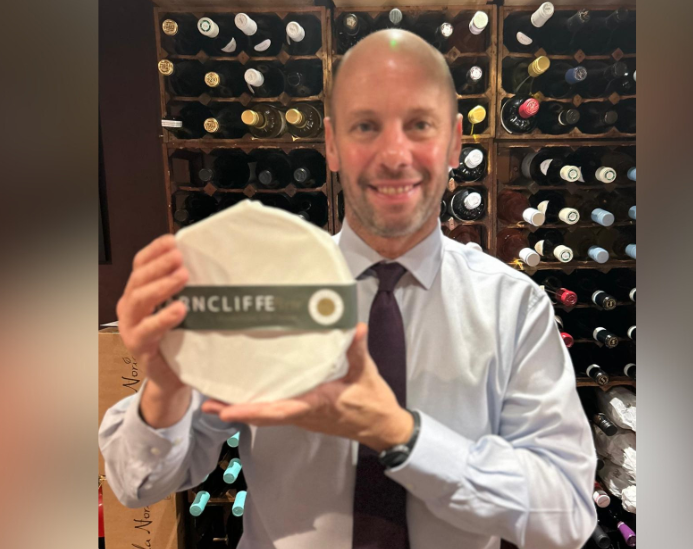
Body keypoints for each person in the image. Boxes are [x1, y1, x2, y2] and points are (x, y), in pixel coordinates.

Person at [99, 29, 597, 549]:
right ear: (333, 144)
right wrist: (166, 384)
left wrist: (401, 435)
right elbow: (139, 485)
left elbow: (566, 514)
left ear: (454, 142)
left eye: (419, 124)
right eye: (366, 125)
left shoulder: (513, 307)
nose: (393, 154)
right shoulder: (258, 291)